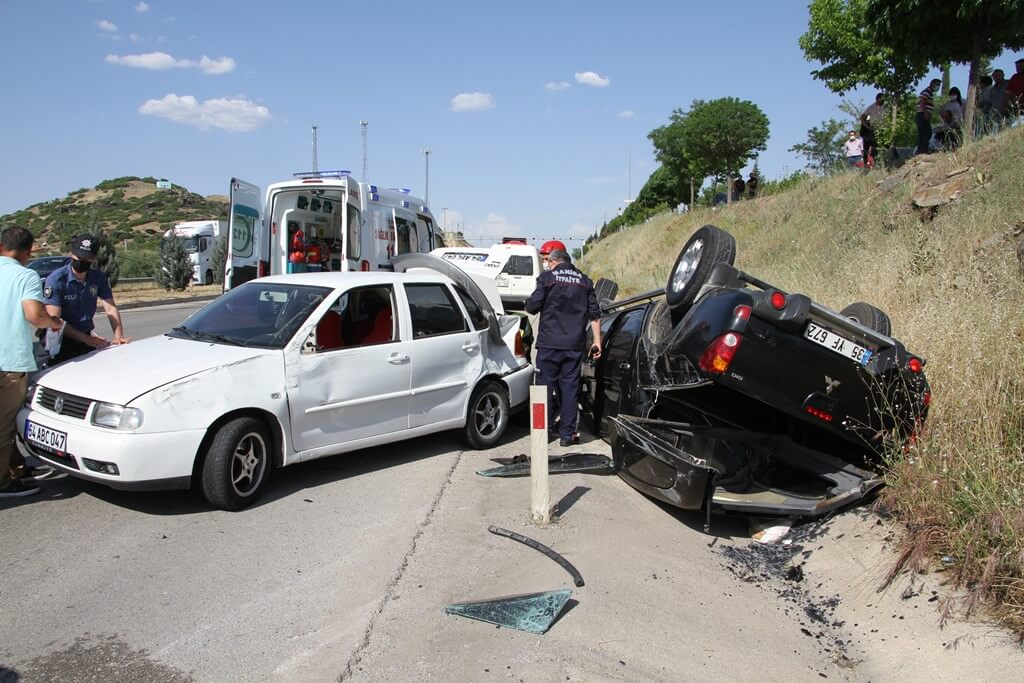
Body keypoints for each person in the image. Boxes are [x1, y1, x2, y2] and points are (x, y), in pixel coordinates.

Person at [1, 227, 64, 498]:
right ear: (28, 252)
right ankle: (4, 483)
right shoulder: (25, 276)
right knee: (4, 428)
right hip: (10, 363)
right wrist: (54, 323)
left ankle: (16, 468)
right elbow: (34, 316)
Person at [525, 249, 602, 447]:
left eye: (548, 262)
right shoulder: (585, 281)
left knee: (543, 389)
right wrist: (597, 341)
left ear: (554, 261)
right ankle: (567, 435)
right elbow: (595, 314)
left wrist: (528, 303)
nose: (547, 265)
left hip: (549, 345)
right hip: (574, 346)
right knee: (569, 390)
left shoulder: (547, 278)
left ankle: (543, 431)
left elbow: (532, 307)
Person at [43, 234, 130, 364]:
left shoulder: (98, 278)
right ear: (72, 254)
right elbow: (54, 320)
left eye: (87, 258)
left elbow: (110, 308)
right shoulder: (57, 280)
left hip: (85, 336)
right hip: (60, 339)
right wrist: (86, 339)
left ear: (93, 259)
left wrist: (118, 336)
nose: (82, 261)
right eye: (79, 257)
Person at [915, 78, 942, 155]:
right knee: (928, 133)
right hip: (922, 114)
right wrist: (925, 112)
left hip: (921, 115)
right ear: (932, 84)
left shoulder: (929, 93)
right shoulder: (927, 91)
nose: (938, 87)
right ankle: (922, 151)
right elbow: (922, 101)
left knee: (922, 134)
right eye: (937, 85)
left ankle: (920, 151)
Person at [859, 93, 886, 167]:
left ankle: (883, 162)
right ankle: (868, 164)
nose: (882, 102)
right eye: (880, 100)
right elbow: (862, 118)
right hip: (873, 129)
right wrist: (868, 127)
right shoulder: (871, 107)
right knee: (871, 146)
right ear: (877, 99)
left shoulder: (886, 107)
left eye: (883, 101)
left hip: (883, 129)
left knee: (884, 146)